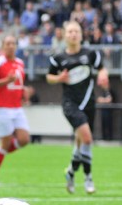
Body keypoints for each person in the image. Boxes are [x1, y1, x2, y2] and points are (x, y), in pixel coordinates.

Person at [47, 20, 109, 194]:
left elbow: (102, 69)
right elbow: (49, 77)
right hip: (70, 104)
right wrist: (59, 79)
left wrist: (103, 76)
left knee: (80, 142)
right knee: (87, 139)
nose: (73, 34)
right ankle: (88, 178)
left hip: (89, 102)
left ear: (81, 35)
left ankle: (71, 172)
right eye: (70, 31)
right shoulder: (59, 58)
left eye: (76, 31)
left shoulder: (90, 54)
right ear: (65, 35)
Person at [0, 35, 30, 184]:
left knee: (24, 139)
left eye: (13, 43)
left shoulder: (20, 63)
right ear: (3, 46)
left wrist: (24, 92)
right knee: (6, 142)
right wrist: (6, 81)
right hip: (1, 107)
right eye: (8, 43)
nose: (11, 46)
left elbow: (18, 83)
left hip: (16, 107)